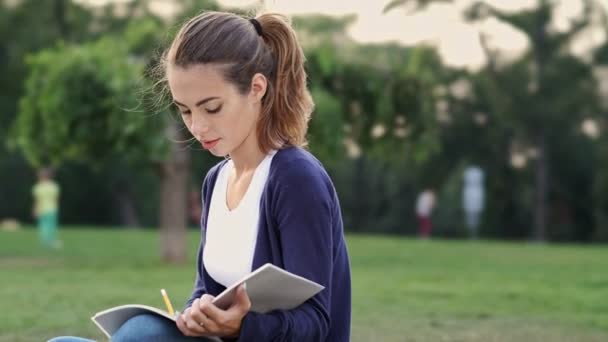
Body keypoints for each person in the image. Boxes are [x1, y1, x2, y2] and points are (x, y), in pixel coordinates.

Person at [49, 10, 351, 342]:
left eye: (211, 108)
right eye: (185, 110)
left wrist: (240, 327)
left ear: (256, 88)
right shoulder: (216, 180)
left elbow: (317, 323)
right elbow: (207, 291)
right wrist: (196, 312)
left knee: (142, 333)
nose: (197, 126)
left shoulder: (295, 179)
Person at [32, 167, 61, 249]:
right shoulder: (54, 186)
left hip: (42, 209)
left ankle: (45, 242)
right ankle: (51, 241)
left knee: (43, 226)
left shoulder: (38, 187)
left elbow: (37, 201)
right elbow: (56, 199)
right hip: (52, 209)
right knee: (51, 226)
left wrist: (35, 210)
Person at [462, 165, 485, 239]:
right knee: (470, 219)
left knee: (476, 219)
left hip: (475, 205)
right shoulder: (468, 189)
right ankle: (471, 234)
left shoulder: (478, 189)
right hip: (471, 205)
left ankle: (474, 234)